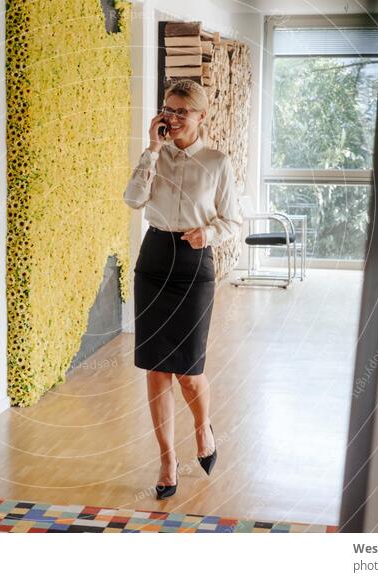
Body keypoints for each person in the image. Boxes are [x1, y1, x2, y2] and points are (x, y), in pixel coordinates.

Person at [123, 79, 243, 500]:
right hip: (154, 259)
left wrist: (207, 234)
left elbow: (233, 222)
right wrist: (152, 151)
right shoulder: (154, 155)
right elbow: (133, 199)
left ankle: (202, 429)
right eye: (167, 109)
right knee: (157, 369)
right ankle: (167, 459)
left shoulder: (217, 162)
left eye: (181, 111)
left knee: (189, 371)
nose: (172, 118)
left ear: (200, 116)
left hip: (194, 264)